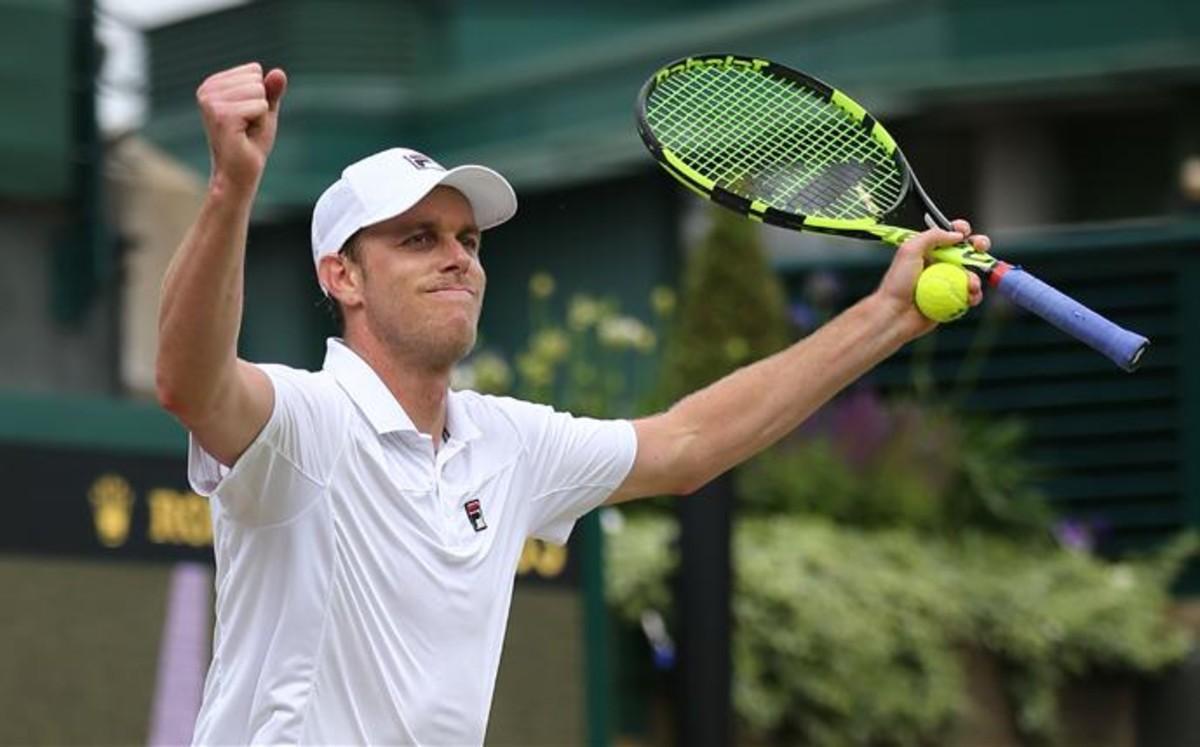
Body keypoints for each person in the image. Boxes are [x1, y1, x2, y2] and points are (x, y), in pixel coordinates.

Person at [156, 63, 988, 746]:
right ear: (342, 276)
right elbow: (190, 382)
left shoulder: (506, 440)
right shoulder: (305, 422)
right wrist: (233, 189)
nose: (458, 259)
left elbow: (690, 442)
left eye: (468, 240)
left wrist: (889, 315)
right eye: (418, 238)